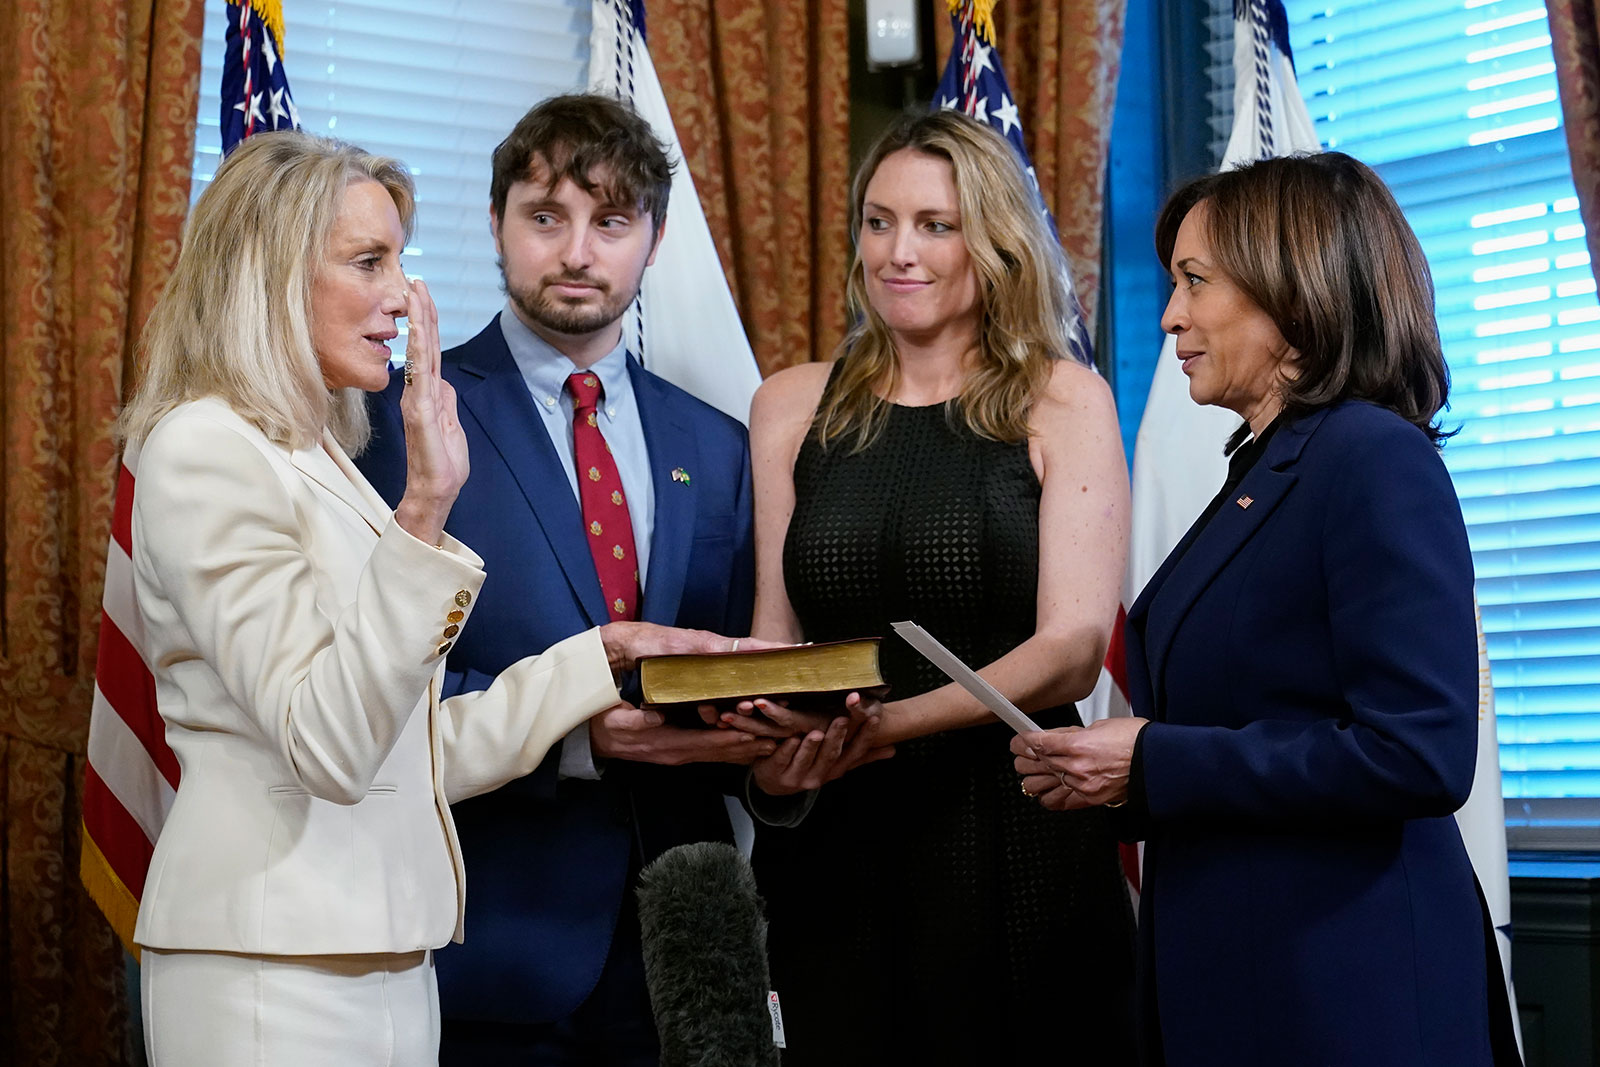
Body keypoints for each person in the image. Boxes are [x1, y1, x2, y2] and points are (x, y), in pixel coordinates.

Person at [121, 130, 731, 1066]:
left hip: (388, 956)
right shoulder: (203, 446)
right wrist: (426, 510)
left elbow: (412, 743)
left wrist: (601, 658)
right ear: (271, 273)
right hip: (269, 962)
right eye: (369, 262)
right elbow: (330, 740)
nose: (403, 295)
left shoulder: (310, 453)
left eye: (400, 261)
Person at [1012, 151, 1522, 1066]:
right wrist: (1116, 773)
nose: (1169, 314)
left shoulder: (1372, 459)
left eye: (1195, 282)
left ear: (1295, 292)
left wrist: (1155, 759)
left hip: (1350, 993)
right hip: (1248, 981)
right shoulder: (1268, 468)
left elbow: (1417, 750)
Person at [355, 93, 777, 1065]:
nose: (578, 251)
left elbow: (731, 657)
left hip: (688, 944)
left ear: (655, 239)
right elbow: (371, 683)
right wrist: (569, 738)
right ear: (497, 223)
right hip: (489, 935)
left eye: (611, 220)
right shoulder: (399, 425)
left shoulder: (718, 443)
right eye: (546, 217)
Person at [743, 110, 1137, 1065]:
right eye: (879, 223)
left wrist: (887, 727)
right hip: (834, 850)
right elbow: (773, 639)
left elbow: (1072, 649)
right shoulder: (790, 403)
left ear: (992, 243)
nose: (898, 253)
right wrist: (764, 763)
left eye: (934, 225)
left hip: (1017, 839)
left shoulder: (1064, 397)